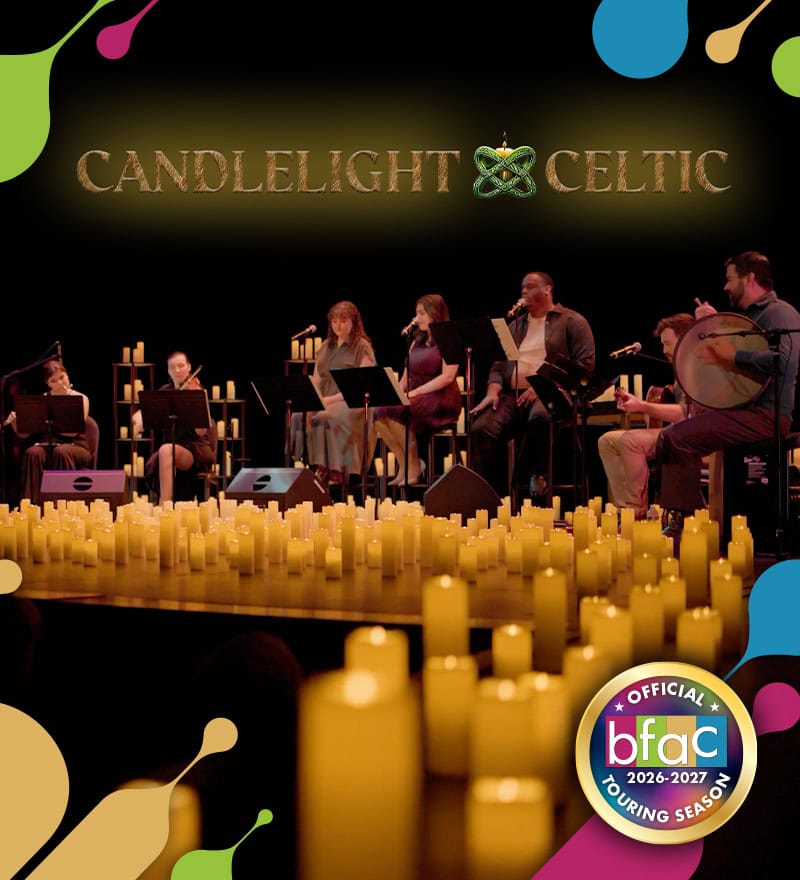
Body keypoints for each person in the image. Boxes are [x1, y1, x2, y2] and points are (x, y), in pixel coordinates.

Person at [657, 251, 800, 539]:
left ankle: (687, 522)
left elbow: (784, 362)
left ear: (749, 278)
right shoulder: (750, 318)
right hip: (745, 411)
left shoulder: (779, 312)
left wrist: (733, 355)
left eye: (730, 279)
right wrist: (713, 325)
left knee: (677, 437)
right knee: (671, 436)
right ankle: (698, 514)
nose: (725, 286)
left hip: (767, 415)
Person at [469, 271, 595, 500]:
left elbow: (584, 366)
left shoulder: (572, 321)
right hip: (513, 394)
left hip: (553, 392)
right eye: (522, 288)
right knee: (482, 429)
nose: (524, 291)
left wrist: (542, 385)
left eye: (531, 286)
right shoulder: (514, 326)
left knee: (540, 417)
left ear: (548, 289)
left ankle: (537, 476)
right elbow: (498, 366)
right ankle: (492, 497)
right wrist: (492, 391)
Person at [598, 313, 695, 519]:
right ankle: (623, 507)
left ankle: (636, 510)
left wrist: (642, 406)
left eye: (667, 343)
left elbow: (686, 414)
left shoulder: (696, 369)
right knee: (607, 441)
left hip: (693, 434)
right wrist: (639, 407)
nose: (664, 350)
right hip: (677, 431)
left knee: (631, 441)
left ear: (686, 339)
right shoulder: (681, 369)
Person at [373, 294, 461, 486]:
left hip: (441, 397)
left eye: (421, 313)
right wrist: (394, 394)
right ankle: (405, 465)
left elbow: (447, 377)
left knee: (399, 410)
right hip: (416, 395)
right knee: (378, 411)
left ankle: (414, 466)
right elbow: (406, 376)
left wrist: (415, 393)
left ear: (434, 313)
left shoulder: (449, 338)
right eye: (416, 313)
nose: (416, 318)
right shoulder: (416, 341)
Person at [302, 301, 376, 486]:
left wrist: (328, 400)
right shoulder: (326, 345)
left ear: (353, 322)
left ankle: (336, 469)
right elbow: (317, 378)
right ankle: (314, 466)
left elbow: (362, 384)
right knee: (299, 416)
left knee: (327, 416)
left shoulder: (361, 346)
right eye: (334, 321)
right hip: (326, 398)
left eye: (343, 321)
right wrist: (311, 399)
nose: (338, 326)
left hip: (351, 401)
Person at [9, 359, 92, 504]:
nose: (60, 383)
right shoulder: (43, 399)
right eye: (54, 381)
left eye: (62, 377)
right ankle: (33, 505)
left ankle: (64, 505)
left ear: (67, 375)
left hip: (76, 447)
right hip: (49, 445)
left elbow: (73, 432)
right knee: (33, 453)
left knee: (61, 451)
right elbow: (25, 433)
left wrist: (49, 421)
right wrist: (15, 422)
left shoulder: (81, 398)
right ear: (48, 383)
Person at [137, 351, 216, 504]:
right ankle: (168, 502)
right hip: (174, 444)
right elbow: (149, 416)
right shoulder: (165, 392)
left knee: (166, 450)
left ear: (189, 367)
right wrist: (140, 419)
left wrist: (195, 399)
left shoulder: (197, 391)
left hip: (195, 447)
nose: (177, 370)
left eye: (181, 366)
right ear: (168, 370)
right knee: (165, 451)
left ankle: (164, 503)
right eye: (172, 367)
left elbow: (201, 431)